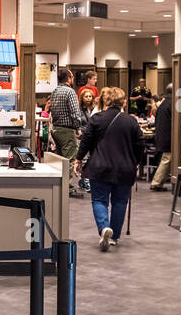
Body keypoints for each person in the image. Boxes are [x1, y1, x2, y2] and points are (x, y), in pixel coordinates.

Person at [77, 87, 145, 252]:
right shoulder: (131, 121)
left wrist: (78, 159)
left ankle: (104, 228)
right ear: (123, 102)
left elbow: (86, 141)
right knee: (120, 202)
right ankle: (114, 237)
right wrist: (135, 162)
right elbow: (140, 146)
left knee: (99, 200)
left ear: (105, 101)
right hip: (125, 168)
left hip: (100, 167)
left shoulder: (96, 119)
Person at [49, 67, 87, 198]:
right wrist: (78, 127)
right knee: (70, 159)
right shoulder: (70, 92)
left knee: (60, 160)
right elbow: (75, 113)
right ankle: (68, 188)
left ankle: (61, 185)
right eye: (72, 77)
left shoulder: (55, 91)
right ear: (69, 79)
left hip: (56, 129)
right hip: (67, 130)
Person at [149, 84, 175, 190]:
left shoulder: (164, 103)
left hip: (162, 136)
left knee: (166, 159)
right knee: (167, 159)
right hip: (168, 136)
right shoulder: (172, 103)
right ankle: (156, 182)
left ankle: (157, 182)